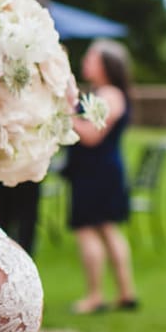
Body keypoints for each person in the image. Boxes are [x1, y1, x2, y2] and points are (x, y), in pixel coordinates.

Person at [64, 38, 139, 313]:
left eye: (91, 58)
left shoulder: (110, 95)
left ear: (107, 65)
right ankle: (125, 292)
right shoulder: (105, 93)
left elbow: (93, 136)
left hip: (95, 173)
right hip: (99, 171)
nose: (85, 62)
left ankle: (95, 296)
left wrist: (64, 115)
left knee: (88, 230)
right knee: (108, 229)